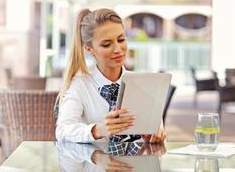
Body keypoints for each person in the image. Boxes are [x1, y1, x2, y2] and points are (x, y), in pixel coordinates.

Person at [55, 8, 165, 143]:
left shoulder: (142, 84)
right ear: (89, 49)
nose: (118, 49)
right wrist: (98, 130)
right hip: (96, 161)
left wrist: (157, 132)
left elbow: (157, 131)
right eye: (107, 44)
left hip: (138, 161)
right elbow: (62, 131)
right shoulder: (80, 85)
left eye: (121, 39)